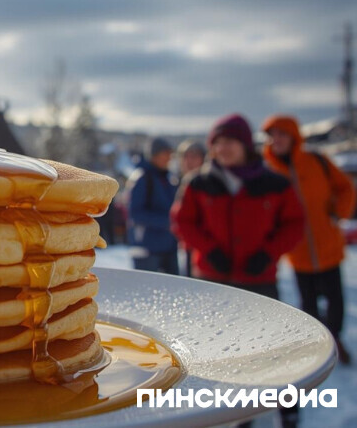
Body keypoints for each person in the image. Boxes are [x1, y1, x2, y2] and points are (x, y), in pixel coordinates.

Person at [172, 114, 305, 427]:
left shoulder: (275, 183)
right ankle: (237, 411)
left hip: (259, 280)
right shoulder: (198, 182)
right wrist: (209, 250)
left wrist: (268, 253)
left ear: (245, 144)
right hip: (212, 281)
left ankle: (287, 406)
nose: (223, 148)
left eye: (230, 141)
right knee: (220, 350)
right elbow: (182, 221)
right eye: (217, 142)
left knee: (270, 348)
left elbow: (295, 223)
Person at [262, 114, 356, 365]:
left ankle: (335, 339)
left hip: (328, 245)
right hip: (299, 251)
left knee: (336, 300)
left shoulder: (316, 161)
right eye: (272, 135)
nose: (276, 140)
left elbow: (346, 187)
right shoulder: (269, 171)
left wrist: (338, 213)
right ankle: (319, 346)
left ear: (294, 136)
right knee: (309, 303)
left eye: (282, 134)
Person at [126, 137, 179, 274]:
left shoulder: (168, 178)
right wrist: (167, 222)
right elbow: (135, 214)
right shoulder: (142, 178)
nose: (169, 158)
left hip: (169, 246)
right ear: (155, 155)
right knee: (147, 286)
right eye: (166, 153)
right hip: (147, 249)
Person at [176, 140, 207, 276]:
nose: (189, 161)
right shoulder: (175, 182)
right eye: (185, 157)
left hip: (205, 248)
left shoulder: (210, 184)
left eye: (194, 156)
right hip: (184, 246)